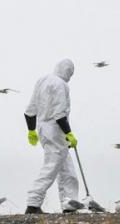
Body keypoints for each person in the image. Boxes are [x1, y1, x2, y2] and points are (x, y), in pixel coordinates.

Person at [23, 59, 80, 214]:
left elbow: (30, 110)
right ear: (66, 70)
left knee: (67, 169)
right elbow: (60, 114)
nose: (70, 76)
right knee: (51, 166)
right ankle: (33, 203)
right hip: (55, 130)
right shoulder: (61, 85)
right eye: (71, 72)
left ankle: (70, 203)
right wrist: (68, 133)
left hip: (43, 129)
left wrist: (31, 130)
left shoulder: (42, 80)